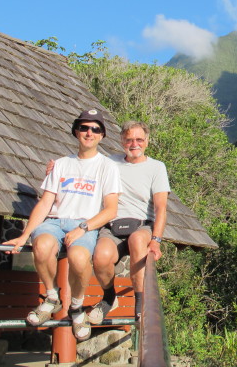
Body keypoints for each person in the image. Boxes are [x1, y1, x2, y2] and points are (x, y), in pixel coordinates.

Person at [4, 109, 121, 342]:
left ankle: (76, 307)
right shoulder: (61, 164)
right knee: (42, 245)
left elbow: (111, 209)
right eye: (84, 128)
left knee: (79, 258)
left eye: (95, 129)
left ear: (102, 135)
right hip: (56, 221)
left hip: (84, 223)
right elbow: (46, 201)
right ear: (76, 131)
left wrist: (84, 228)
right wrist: (24, 234)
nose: (89, 133)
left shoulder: (107, 167)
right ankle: (51, 296)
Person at [76, 120, 169, 323]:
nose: (134, 144)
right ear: (121, 141)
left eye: (139, 139)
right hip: (113, 226)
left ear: (147, 141)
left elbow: (161, 207)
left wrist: (156, 240)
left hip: (142, 224)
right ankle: (110, 297)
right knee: (100, 257)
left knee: (137, 241)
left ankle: (140, 303)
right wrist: (54, 168)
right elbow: (83, 169)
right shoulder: (110, 162)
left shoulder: (156, 168)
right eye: (129, 140)